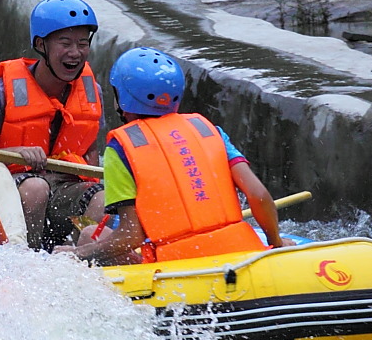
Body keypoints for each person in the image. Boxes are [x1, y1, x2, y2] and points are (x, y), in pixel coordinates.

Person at [60, 47, 292, 265]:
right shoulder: (208, 130)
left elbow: (130, 236)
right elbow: (258, 195)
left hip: (175, 266)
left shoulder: (120, 149)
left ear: (122, 98)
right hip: (241, 251)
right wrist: (275, 242)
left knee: (89, 236)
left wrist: (77, 255)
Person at [0, 0, 105, 250]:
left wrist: (84, 174)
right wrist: (16, 153)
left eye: (82, 44)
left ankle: (78, 256)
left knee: (101, 197)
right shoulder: (1, 92)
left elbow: (91, 150)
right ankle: (30, 259)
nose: (75, 53)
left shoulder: (92, 91)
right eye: (65, 43)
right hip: (13, 186)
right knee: (35, 188)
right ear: (41, 45)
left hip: (64, 187)